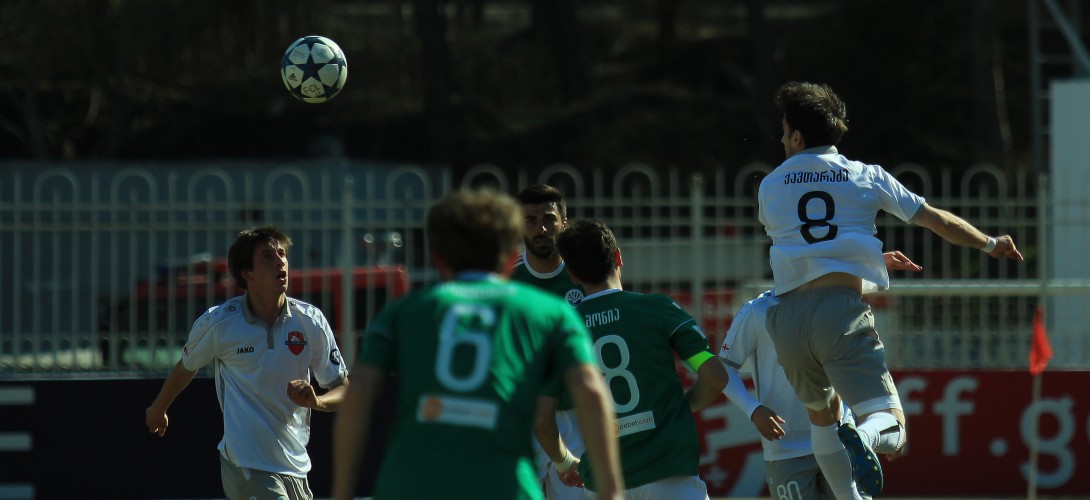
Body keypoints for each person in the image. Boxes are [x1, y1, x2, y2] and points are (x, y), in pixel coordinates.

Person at [757, 81, 1024, 497]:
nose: (780, 138)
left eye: (784, 130)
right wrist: (990, 243)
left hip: (785, 319)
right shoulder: (866, 177)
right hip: (837, 313)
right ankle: (866, 438)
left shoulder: (769, 185)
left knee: (823, 417)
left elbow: (808, 247)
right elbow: (937, 220)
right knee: (892, 425)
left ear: (797, 136)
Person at [331, 189, 624, 500]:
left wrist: (342, 493)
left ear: (438, 258)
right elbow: (591, 391)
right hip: (503, 481)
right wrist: (610, 490)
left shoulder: (404, 312)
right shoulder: (549, 312)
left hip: (411, 483)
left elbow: (359, 391)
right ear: (513, 257)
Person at [145, 226, 349, 500]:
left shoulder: (310, 321)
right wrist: (158, 408)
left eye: (283, 253)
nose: (280, 261)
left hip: (296, 467)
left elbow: (343, 389)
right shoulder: (220, 323)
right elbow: (187, 366)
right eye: (268, 256)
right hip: (246, 465)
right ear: (246, 273)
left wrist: (317, 402)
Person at [546, 218, 728, 499]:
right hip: (670, 472)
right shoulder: (658, 309)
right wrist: (681, 407)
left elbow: (541, 418)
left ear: (571, 274)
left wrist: (564, 462)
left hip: (603, 483)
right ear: (618, 256)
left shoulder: (561, 331)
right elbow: (715, 377)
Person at [720, 251, 922, 500]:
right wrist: (753, 409)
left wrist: (873, 261)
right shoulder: (757, 311)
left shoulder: (831, 299)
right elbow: (724, 367)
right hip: (787, 448)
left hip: (838, 438)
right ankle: (872, 435)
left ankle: (863, 439)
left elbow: (858, 278)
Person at [512, 183, 588, 499]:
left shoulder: (586, 277)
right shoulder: (506, 281)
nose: (541, 229)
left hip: (576, 418)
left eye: (549, 219)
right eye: (530, 220)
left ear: (564, 222)